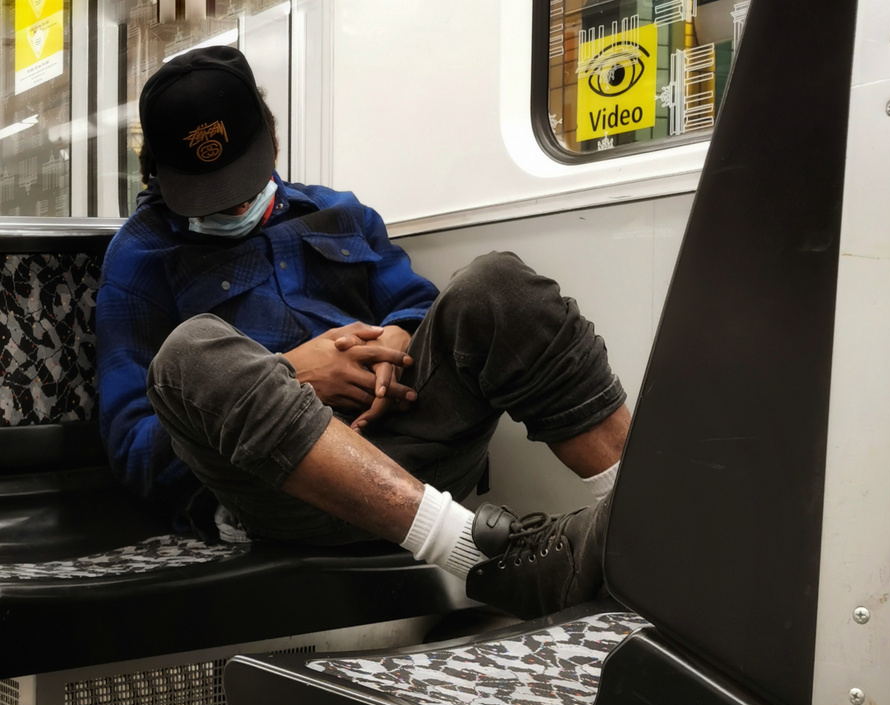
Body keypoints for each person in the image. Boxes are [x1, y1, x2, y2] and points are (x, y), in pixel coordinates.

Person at [96, 45, 630, 621]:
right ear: (158, 174)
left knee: (497, 283)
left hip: (415, 445)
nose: (239, 202)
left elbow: (420, 307)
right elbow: (135, 451)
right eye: (212, 193)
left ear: (271, 140)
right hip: (284, 488)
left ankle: (647, 516)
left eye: (244, 179)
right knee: (192, 351)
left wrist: (399, 337)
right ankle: (486, 557)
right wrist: (294, 375)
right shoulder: (141, 257)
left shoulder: (342, 213)